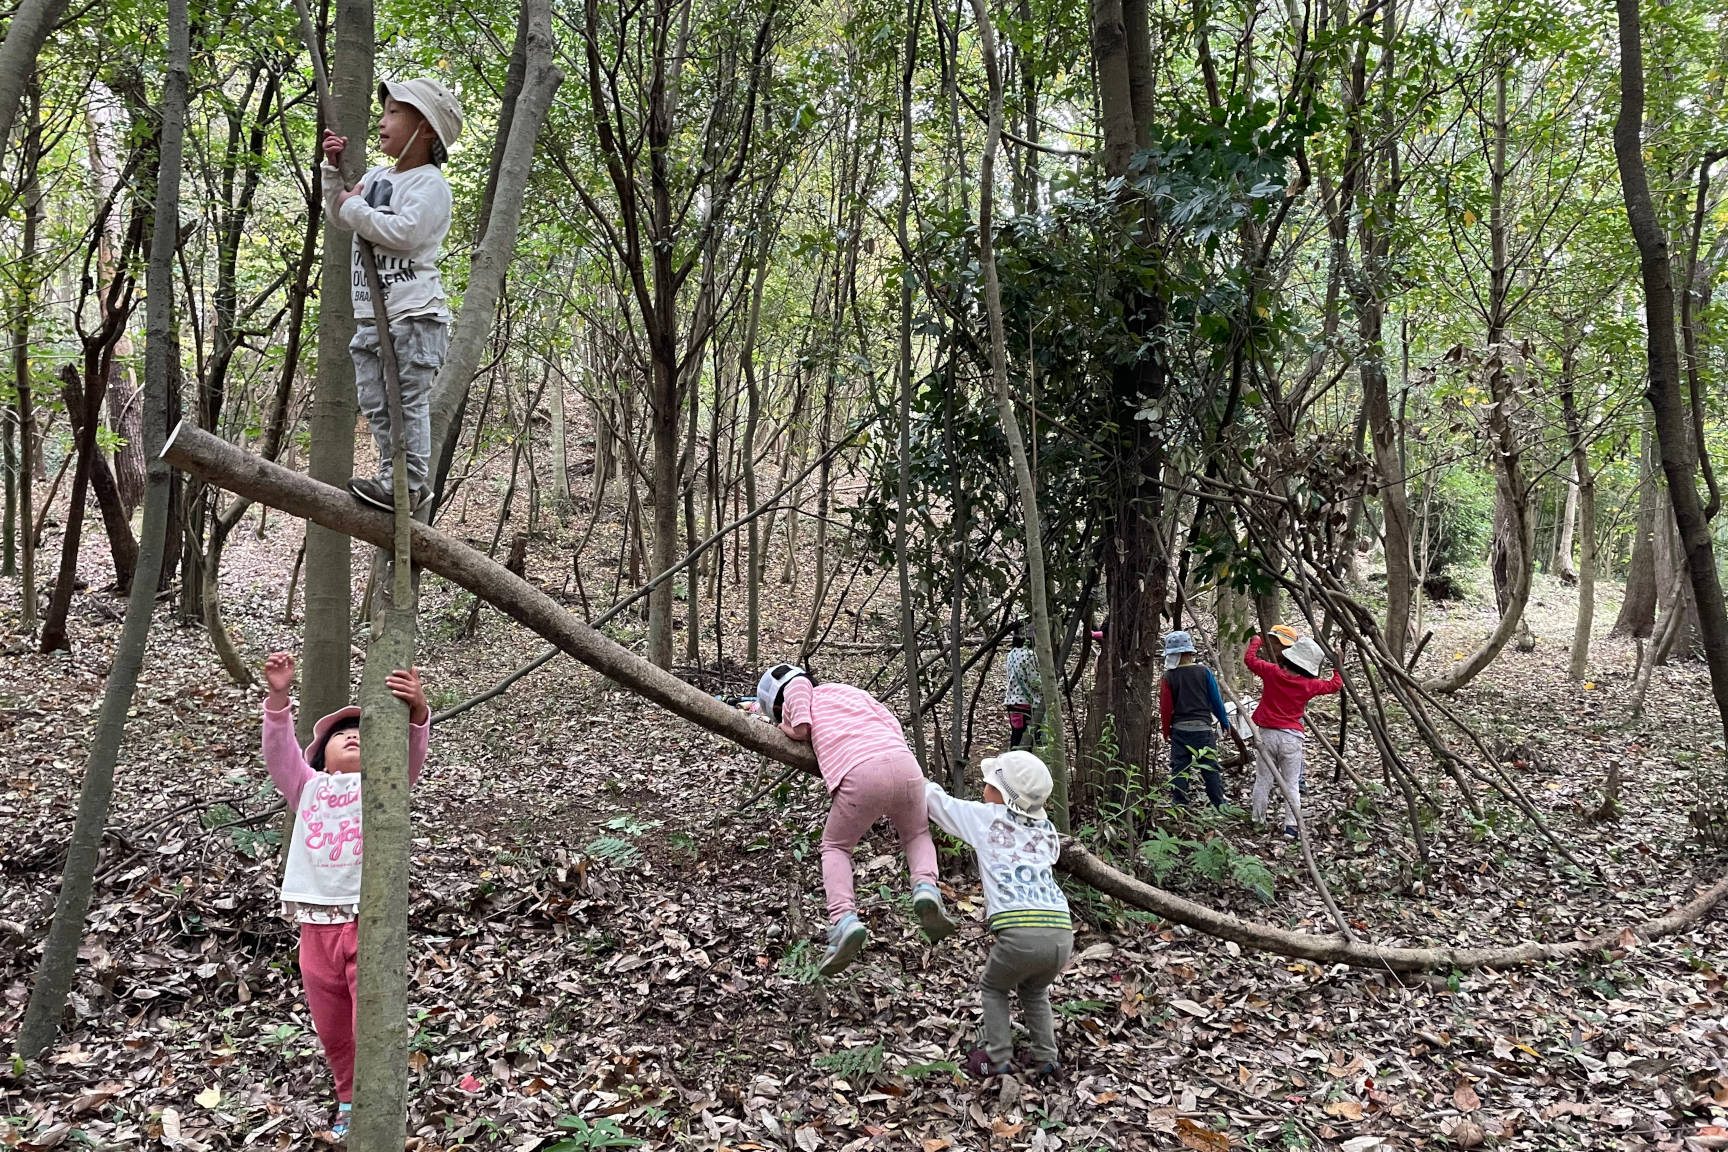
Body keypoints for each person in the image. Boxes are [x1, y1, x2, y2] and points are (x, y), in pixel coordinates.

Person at [261, 652, 430, 1138]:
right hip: (315, 924)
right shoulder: (307, 786)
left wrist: (417, 712)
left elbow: (411, 753)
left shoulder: (385, 785)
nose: (352, 736)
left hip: (367, 918)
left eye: (362, 732)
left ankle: (381, 1102)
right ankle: (348, 1100)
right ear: (320, 754)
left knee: (368, 1020)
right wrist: (278, 698)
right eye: (340, 734)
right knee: (333, 1026)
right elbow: (279, 753)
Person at [755, 664, 957, 977]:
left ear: (782, 706)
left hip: (861, 773)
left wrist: (788, 729)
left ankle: (844, 920)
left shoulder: (798, 690)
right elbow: (891, 723)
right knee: (917, 834)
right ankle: (927, 888)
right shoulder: (851, 693)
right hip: (904, 764)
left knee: (835, 846)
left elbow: (802, 723)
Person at [320, 78, 465, 512]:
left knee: (407, 402)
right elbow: (343, 214)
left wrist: (353, 206)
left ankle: (410, 484)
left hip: (414, 315)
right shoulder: (376, 177)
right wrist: (333, 172)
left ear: (424, 128)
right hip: (372, 315)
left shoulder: (429, 185)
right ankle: (391, 476)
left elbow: (402, 232)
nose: (382, 122)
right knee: (376, 403)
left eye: (393, 113)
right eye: (382, 113)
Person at [924, 751, 1072, 1082]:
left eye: (989, 784)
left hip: (1020, 933)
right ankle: (1047, 1059)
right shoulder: (1046, 830)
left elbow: (938, 806)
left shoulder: (987, 818)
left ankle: (998, 1057)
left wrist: (913, 781)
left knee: (993, 987)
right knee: (1034, 991)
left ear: (1003, 796)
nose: (983, 790)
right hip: (1061, 932)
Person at [1243, 632, 1342, 836]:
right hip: (1291, 738)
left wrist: (1257, 641)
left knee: (1263, 779)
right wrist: (1337, 664)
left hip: (1267, 735)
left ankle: (1258, 820)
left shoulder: (1271, 672)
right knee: (1291, 783)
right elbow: (1335, 685)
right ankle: (1291, 826)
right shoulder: (1309, 685)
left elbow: (1249, 660)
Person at [1159, 631, 1249, 808]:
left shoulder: (1168, 677)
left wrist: (1166, 731)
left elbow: (1166, 708)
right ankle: (1218, 803)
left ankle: (1180, 803)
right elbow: (1216, 700)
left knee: (1179, 768)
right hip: (1203, 730)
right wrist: (1224, 722)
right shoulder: (1204, 671)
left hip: (1180, 731)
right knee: (1210, 767)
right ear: (1190, 653)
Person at [1003, 626, 1042, 749]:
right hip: (1027, 704)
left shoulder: (1011, 654)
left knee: (1016, 737)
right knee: (1029, 740)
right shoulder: (1029, 654)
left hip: (1012, 702)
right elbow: (1035, 682)